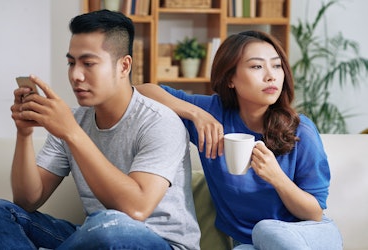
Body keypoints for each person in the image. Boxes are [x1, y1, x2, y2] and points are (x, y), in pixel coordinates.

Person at [0, 10, 200, 250]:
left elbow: (136, 208)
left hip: (160, 242)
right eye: (71, 63)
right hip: (95, 236)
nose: (75, 75)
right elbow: (27, 200)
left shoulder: (160, 121)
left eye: (88, 63)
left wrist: (71, 132)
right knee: (0, 212)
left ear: (124, 66)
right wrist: (24, 133)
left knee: (111, 224)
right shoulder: (73, 120)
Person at [136, 30, 343, 249]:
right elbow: (141, 92)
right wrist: (196, 114)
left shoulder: (301, 130)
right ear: (230, 79)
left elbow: (314, 212)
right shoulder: (213, 115)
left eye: (276, 65)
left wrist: (276, 177)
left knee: (265, 230)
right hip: (249, 242)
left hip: (308, 235)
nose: (271, 75)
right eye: (257, 66)